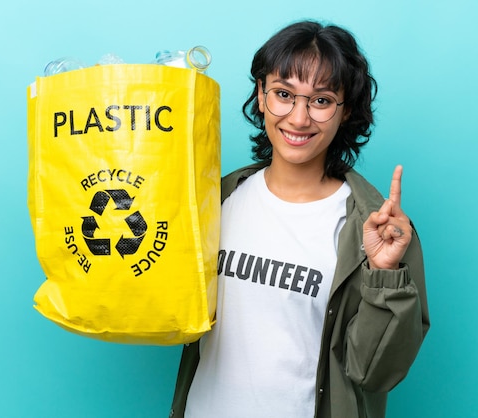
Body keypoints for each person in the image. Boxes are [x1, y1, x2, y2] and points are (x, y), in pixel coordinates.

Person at [169, 20, 430, 418]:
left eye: (321, 100)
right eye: (284, 94)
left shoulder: (377, 230)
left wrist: (384, 275)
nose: (298, 117)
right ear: (261, 95)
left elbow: (374, 372)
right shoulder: (214, 200)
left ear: (345, 112)